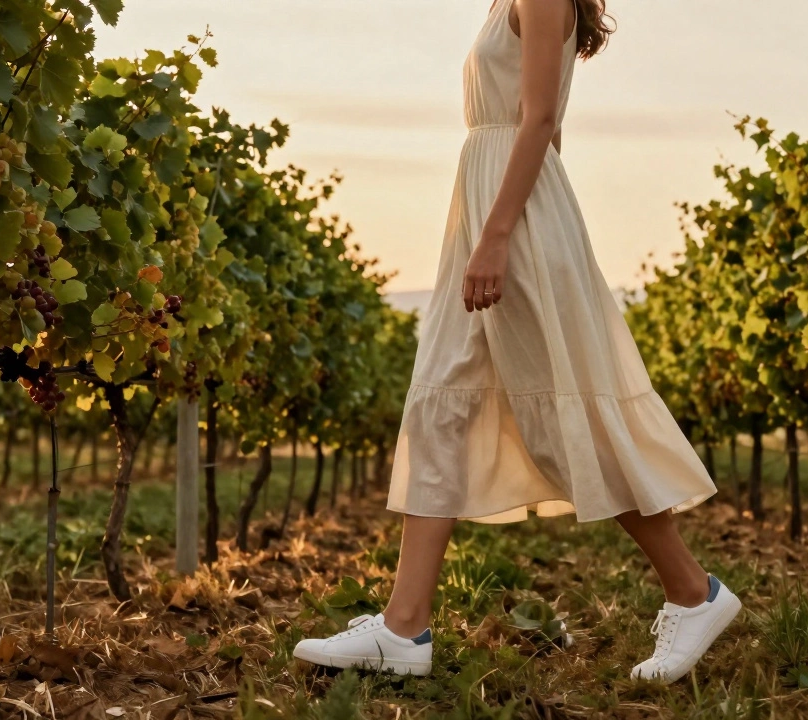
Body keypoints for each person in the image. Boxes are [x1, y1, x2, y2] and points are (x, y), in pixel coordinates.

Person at [293, 0, 738, 683]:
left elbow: (541, 122)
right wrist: (489, 227)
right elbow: (539, 132)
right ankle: (404, 628)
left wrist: (503, 234)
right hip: (490, 209)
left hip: (511, 221)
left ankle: (692, 591)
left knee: (562, 418)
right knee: (441, 406)